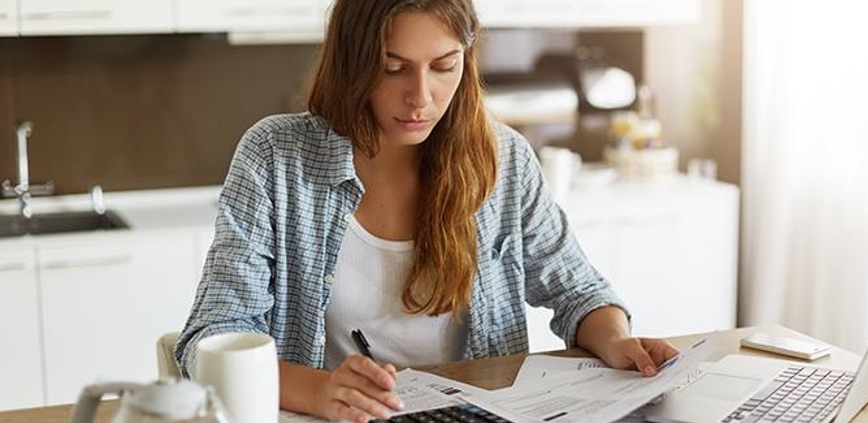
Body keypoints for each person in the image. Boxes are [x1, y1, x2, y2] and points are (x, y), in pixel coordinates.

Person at [174, 0, 679, 422]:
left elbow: (579, 291)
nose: (421, 97)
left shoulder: (502, 160)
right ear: (353, 62)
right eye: (393, 68)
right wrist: (321, 390)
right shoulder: (274, 158)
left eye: (443, 66)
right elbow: (211, 337)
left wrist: (615, 340)